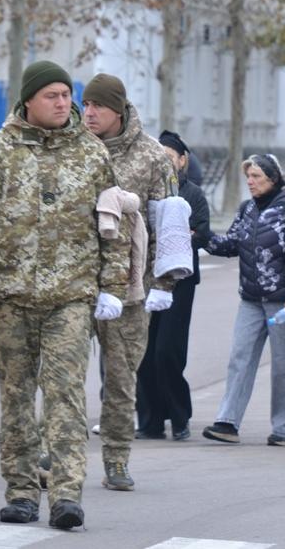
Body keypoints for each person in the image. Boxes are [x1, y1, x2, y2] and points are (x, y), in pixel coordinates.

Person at [0, 60, 129, 530]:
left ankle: (67, 494)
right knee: (16, 398)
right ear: (28, 100)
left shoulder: (90, 154)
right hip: (10, 297)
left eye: (68, 95)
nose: (63, 103)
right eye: (52, 95)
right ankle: (23, 491)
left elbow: (112, 226)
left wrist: (112, 287)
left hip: (70, 297)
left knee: (66, 396)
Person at [81, 73, 178, 491]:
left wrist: (164, 283)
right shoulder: (72, 148)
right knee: (62, 377)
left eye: (97, 106)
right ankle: (54, 452)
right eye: (84, 105)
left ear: (118, 109)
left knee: (121, 381)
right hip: (76, 284)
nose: (88, 113)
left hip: (129, 292)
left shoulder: (153, 156)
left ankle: (117, 459)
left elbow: (167, 225)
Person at [202, 154, 285, 446]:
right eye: (248, 177)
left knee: (283, 364)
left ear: (273, 178)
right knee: (240, 358)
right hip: (250, 299)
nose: (250, 182)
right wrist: (202, 236)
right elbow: (232, 244)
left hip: (282, 302)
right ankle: (227, 422)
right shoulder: (247, 208)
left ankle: (283, 429)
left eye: (257, 177)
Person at [135, 130, 211, 441]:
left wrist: (179, 239)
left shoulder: (192, 193)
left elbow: (202, 233)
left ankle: (179, 417)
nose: (164, 164)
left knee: (168, 351)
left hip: (180, 282)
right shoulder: (147, 191)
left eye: (169, 158)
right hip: (146, 279)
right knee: (144, 352)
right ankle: (150, 421)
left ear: (182, 161)